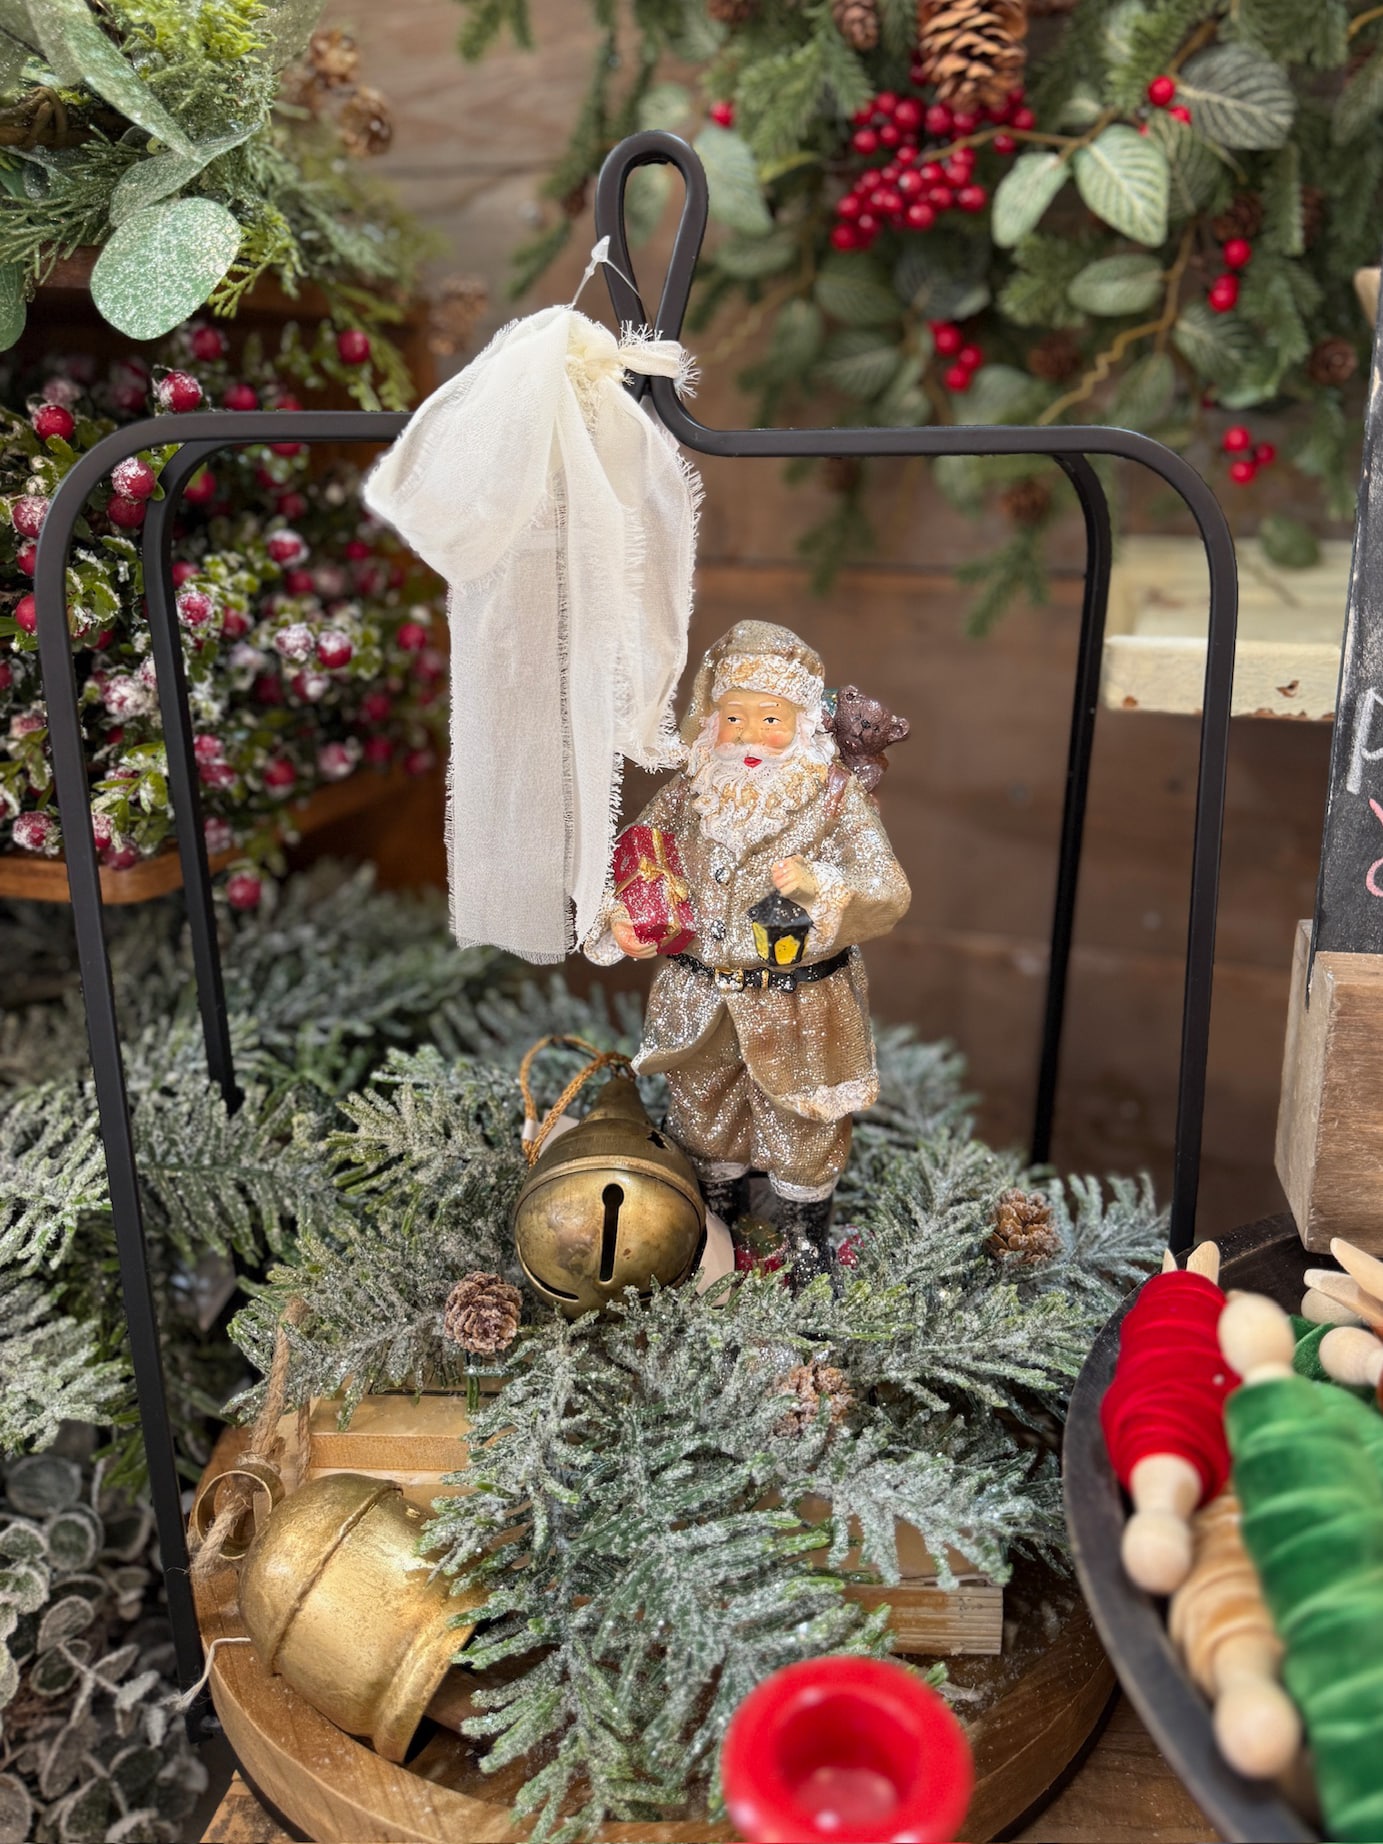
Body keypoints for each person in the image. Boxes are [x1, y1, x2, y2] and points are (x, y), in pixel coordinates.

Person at [584, 621, 911, 1282]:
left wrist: (824, 884)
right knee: (703, 1113)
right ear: (711, 719)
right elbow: (634, 855)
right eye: (734, 717)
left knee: (801, 1124)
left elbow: (887, 888)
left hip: (799, 1006)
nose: (750, 735)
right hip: (700, 996)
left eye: (770, 718)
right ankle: (714, 1226)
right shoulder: (690, 792)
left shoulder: (835, 799)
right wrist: (620, 915)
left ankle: (801, 1241)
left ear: (801, 722)